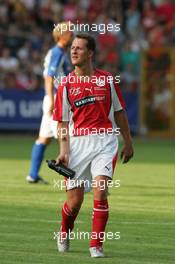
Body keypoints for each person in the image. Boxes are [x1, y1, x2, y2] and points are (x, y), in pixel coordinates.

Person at [53, 33, 134, 257]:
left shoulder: (107, 80)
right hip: (77, 144)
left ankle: (95, 246)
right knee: (75, 202)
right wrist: (63, 150)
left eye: (79, 48)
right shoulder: (66, 84)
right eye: (72, 48)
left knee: (100, 191)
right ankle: (64, 231)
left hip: (105, 141)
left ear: (90, 53)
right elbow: (62, 122)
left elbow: (120, 113)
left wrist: (128, 142)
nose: (74, 51)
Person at [26, 22, 73, 183]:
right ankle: (70, 177)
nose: (71, 34)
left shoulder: (58, 52)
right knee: (65, 137)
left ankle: (32, 175)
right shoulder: (58, 52)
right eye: (69, 32)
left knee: (44, 138)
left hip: (53, 99)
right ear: (61, 35)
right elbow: (49, 78)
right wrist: (53, 101)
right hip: (55, 100)